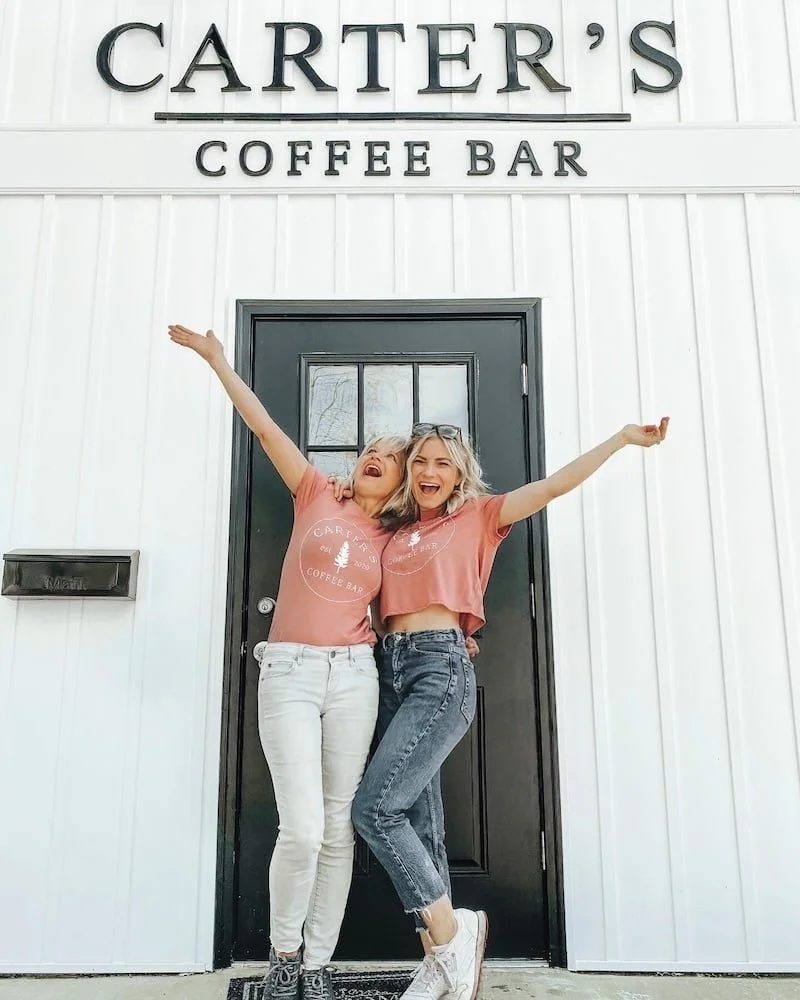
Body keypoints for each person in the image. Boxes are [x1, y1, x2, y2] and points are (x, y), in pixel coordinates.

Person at [351, 417, 670, 1000]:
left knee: (375, 810)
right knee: (420, 825)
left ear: (459, 473)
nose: (429, 472)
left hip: (438, 670)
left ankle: (455, 933)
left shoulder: (480, 517)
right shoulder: (390, 529)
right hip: (388, 671)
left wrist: (621, 439)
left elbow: (550, 488)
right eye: (420, 460)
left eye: (443, 463)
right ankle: (441, 964)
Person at [168, 324, 409, 1000]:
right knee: (301, 828)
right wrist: (218, 360)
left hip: (354, 676)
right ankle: (283, 953)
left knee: (337, 827)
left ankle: (317, 966)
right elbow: (266, 428)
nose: (375, 456)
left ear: (397, 483)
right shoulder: (316, 494)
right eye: (373, 449)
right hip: (291, 673)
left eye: (390, 456)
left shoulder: (395, 538)